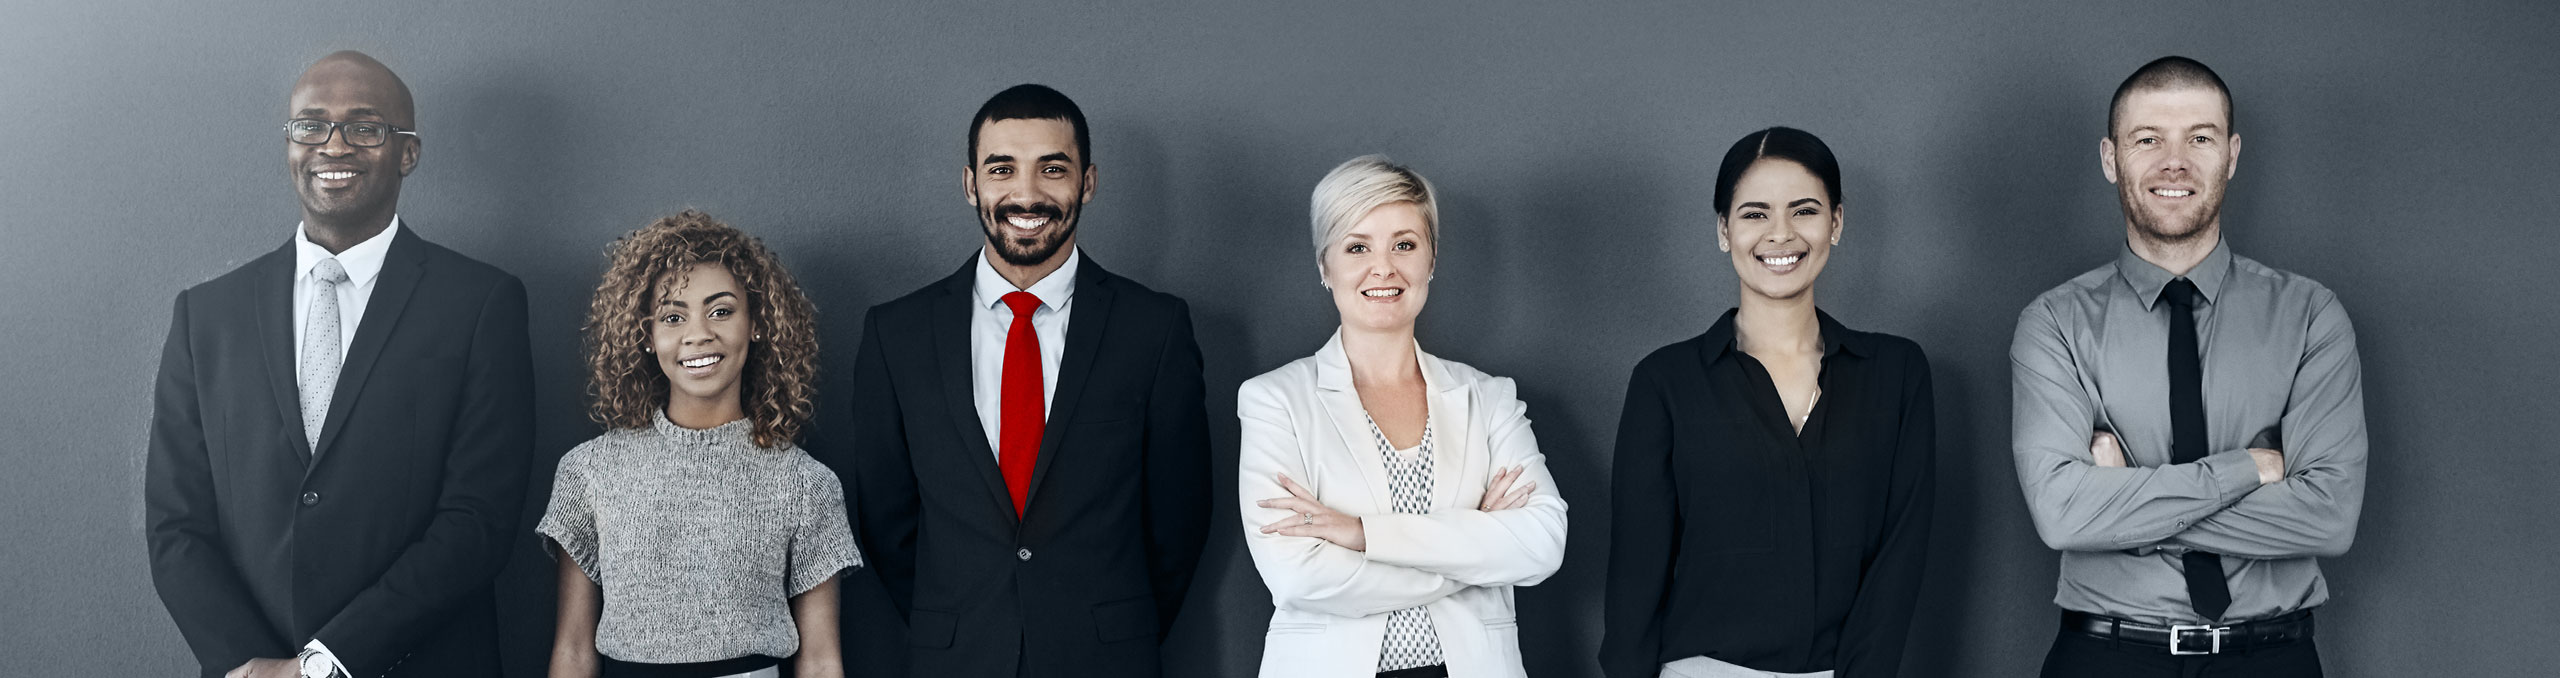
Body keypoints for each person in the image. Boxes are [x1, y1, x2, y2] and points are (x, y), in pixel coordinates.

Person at [145, 51, 533, 678]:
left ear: (407, 152)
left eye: (365, 127)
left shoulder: (480, 304)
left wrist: (323, 665)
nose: (333, 145)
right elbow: (176, 525)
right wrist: (256, 666)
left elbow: (477, 521)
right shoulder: (205, 318)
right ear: (290, 144)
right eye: (311, 125)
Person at [2010, 56, 2367, 676]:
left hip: (2270, 658)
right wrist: (2247, 469)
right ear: (2109, 158)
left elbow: (2330, 518)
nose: (2174, 161)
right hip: (2106, 657)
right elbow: (2063, 513)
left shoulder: (2311, 315)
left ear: (2230, 155)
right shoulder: (2054, 323)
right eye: (2147, 139)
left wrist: (2126, 507)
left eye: (2198, 138)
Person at [842, 83, 1212, 678]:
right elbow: (888, 520)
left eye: (1053, 169)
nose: (1027, 193)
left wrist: (1106, 627)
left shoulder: (1155, 329)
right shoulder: (896, 334)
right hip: (955, 659)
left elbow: (1180, 516)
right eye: (1002, 169)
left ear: (1087, 183)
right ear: (971, 185)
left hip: (1107, 660)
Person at [1598, 127, 1935, 678]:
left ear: (1837, 222)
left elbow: (1901, 559)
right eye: (1755, 214)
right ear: (1723, 231)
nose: (1780, 234)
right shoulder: (1666, 382)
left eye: (1804, 211)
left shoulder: (1897, 374)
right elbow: (1636, 577)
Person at [1237, 155, 1569, 678]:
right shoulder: (1274, 400)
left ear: (1431, 259)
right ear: (1325, 266)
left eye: (1405, 244)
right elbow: (1298, 577)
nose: (1384, 267)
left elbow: (1543, 543)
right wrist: (1475, 549)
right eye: (1357, 246)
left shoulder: (1489, 398)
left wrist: (1362, 534)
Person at [538, 210, 859, 678]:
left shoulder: (805, 483)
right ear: (647, 335)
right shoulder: (589, 472)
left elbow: (821, 660)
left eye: (721, 310)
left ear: (757, 323)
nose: (698, 334)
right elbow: (572, 651)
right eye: (673, 316)